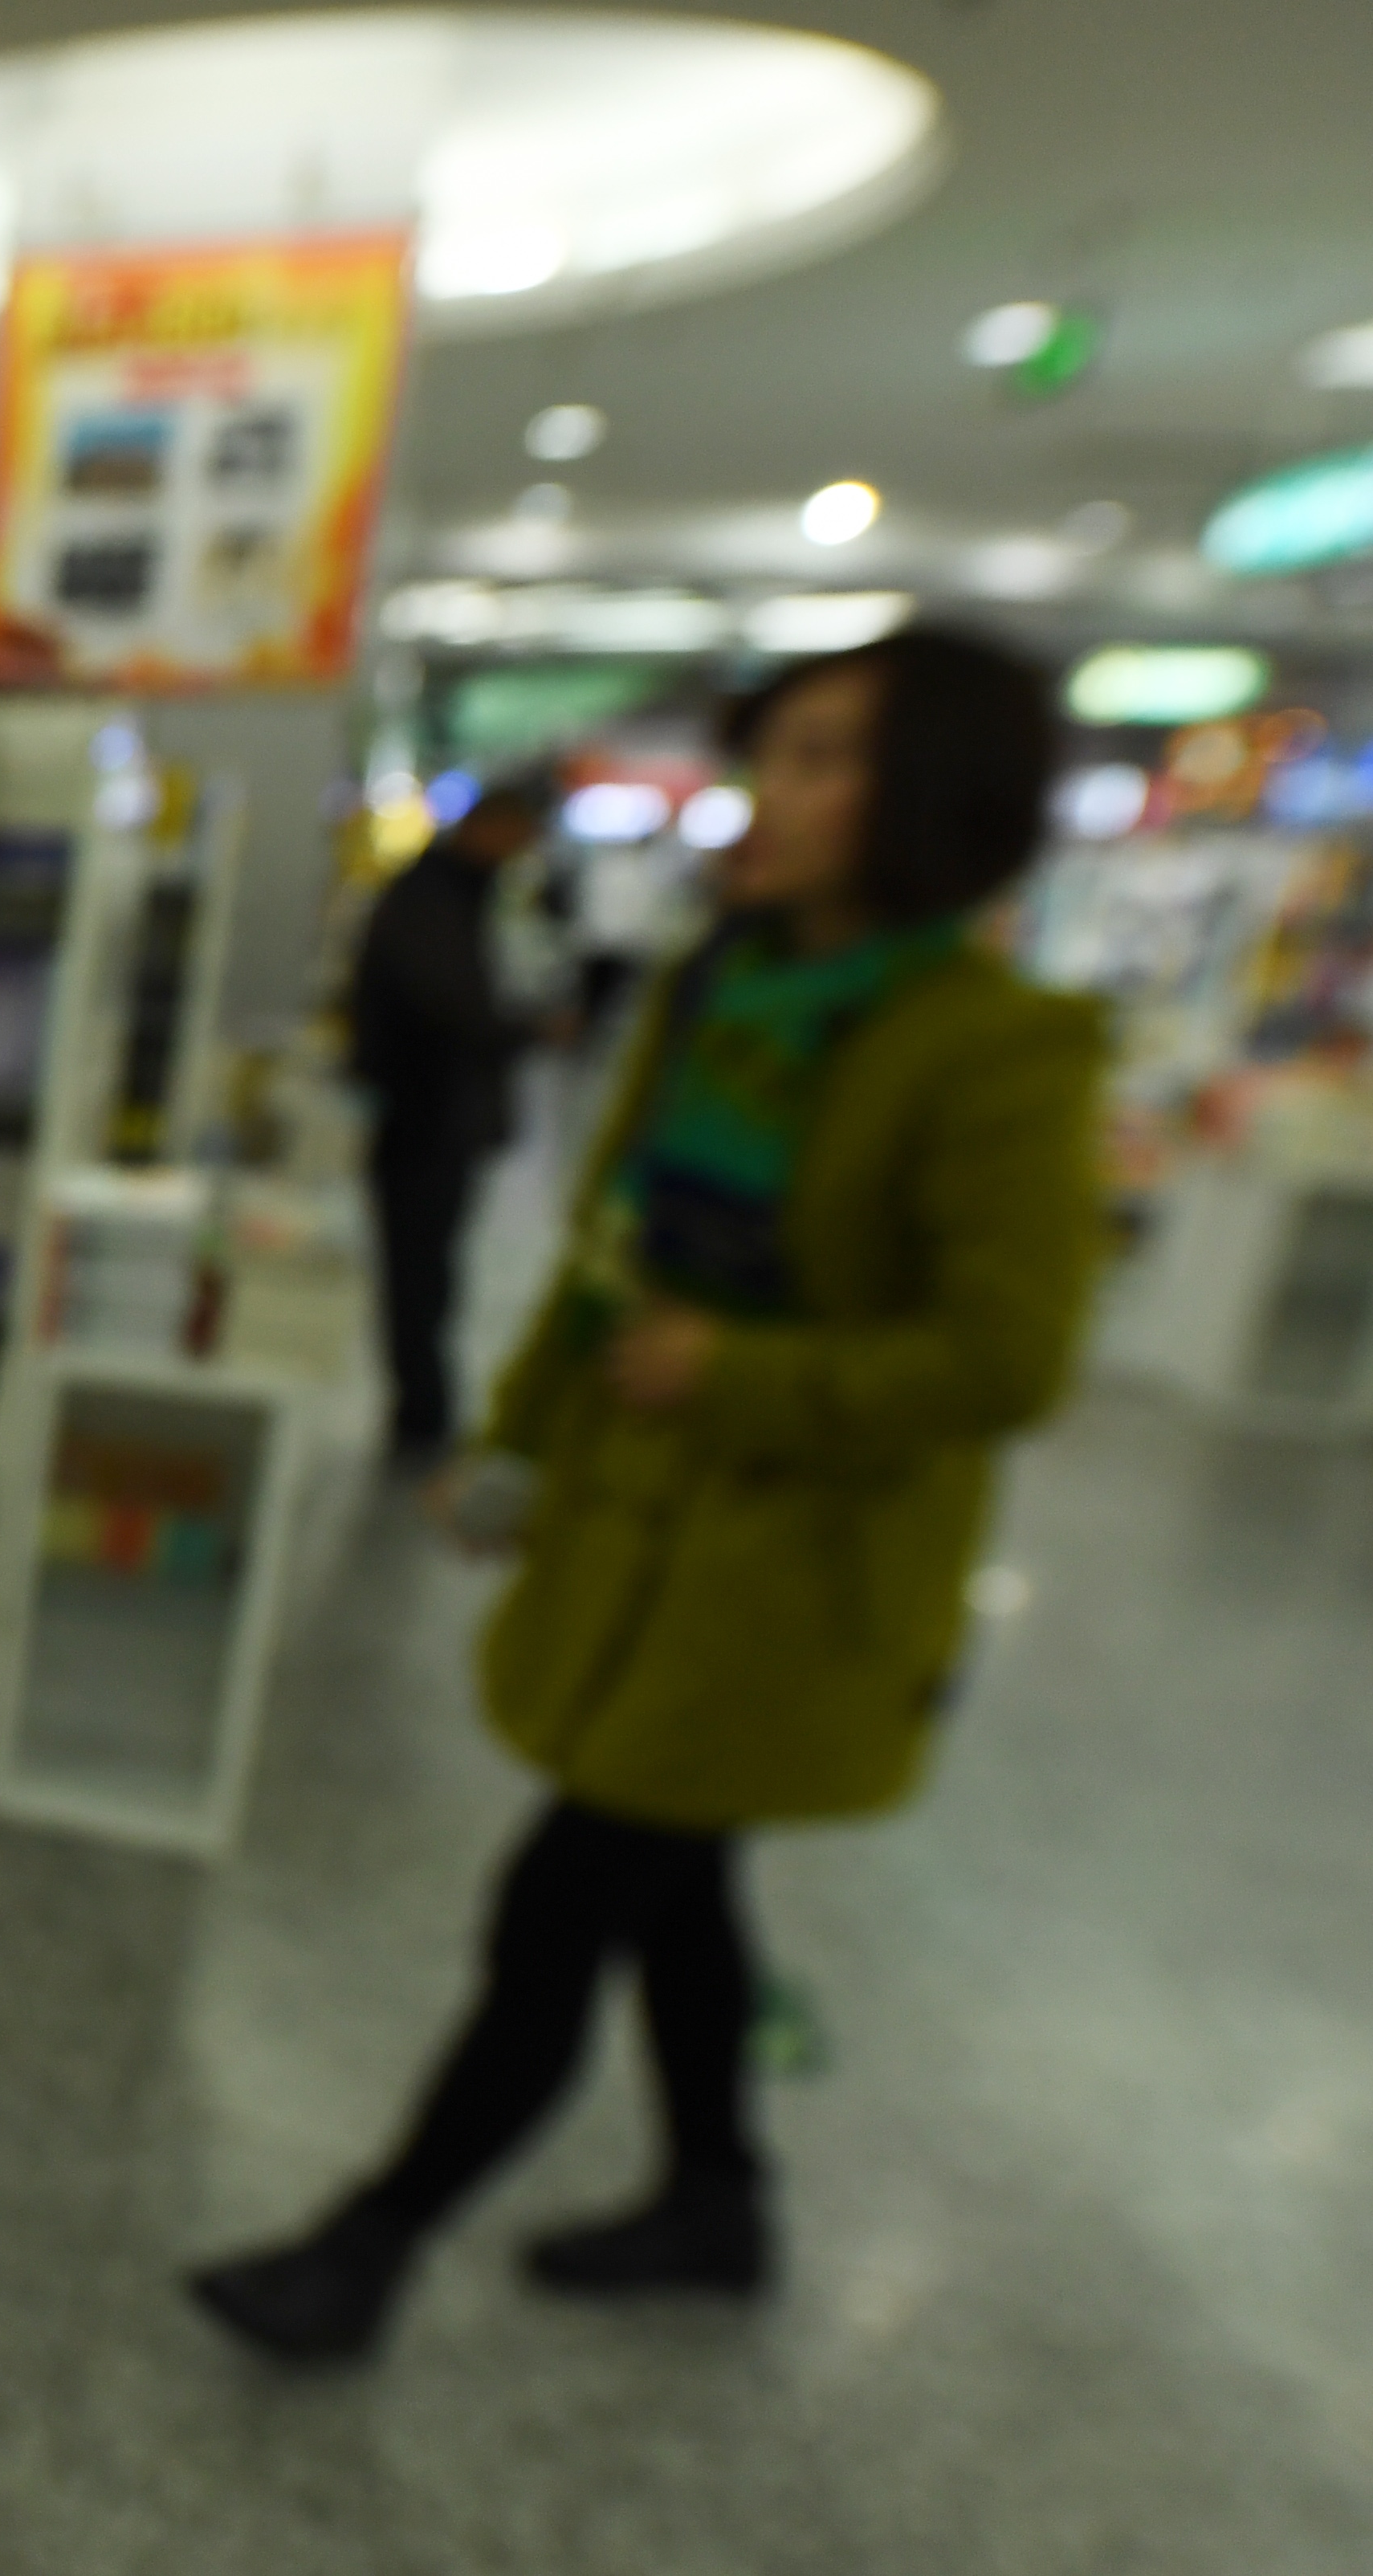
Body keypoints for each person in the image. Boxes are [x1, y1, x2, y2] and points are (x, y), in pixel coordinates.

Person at [190, 628, 1104, 2362]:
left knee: (562, 1902)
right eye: (785, 746)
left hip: (792, 1573)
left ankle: (368, 2246)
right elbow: (616, 1247)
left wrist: (739, 1372)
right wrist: (517, 1431)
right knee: (679, 1878)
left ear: (936, 799)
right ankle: (721, 2198)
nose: (781, 786)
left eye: (834, 756)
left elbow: (1009, 1359)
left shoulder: (1001, 1048)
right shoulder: (714, 980)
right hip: (635, 1521)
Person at [349, 772, 552, 1464]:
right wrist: (527, 1029)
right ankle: (421, 1416)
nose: (520, 852)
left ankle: (425, 1409)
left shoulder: (463, 896)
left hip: (439, 1115)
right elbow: (451, 1003)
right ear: (490, 828)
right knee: (418, 1269)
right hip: (424, 1114)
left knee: (430, 1269)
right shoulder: (431, 898)